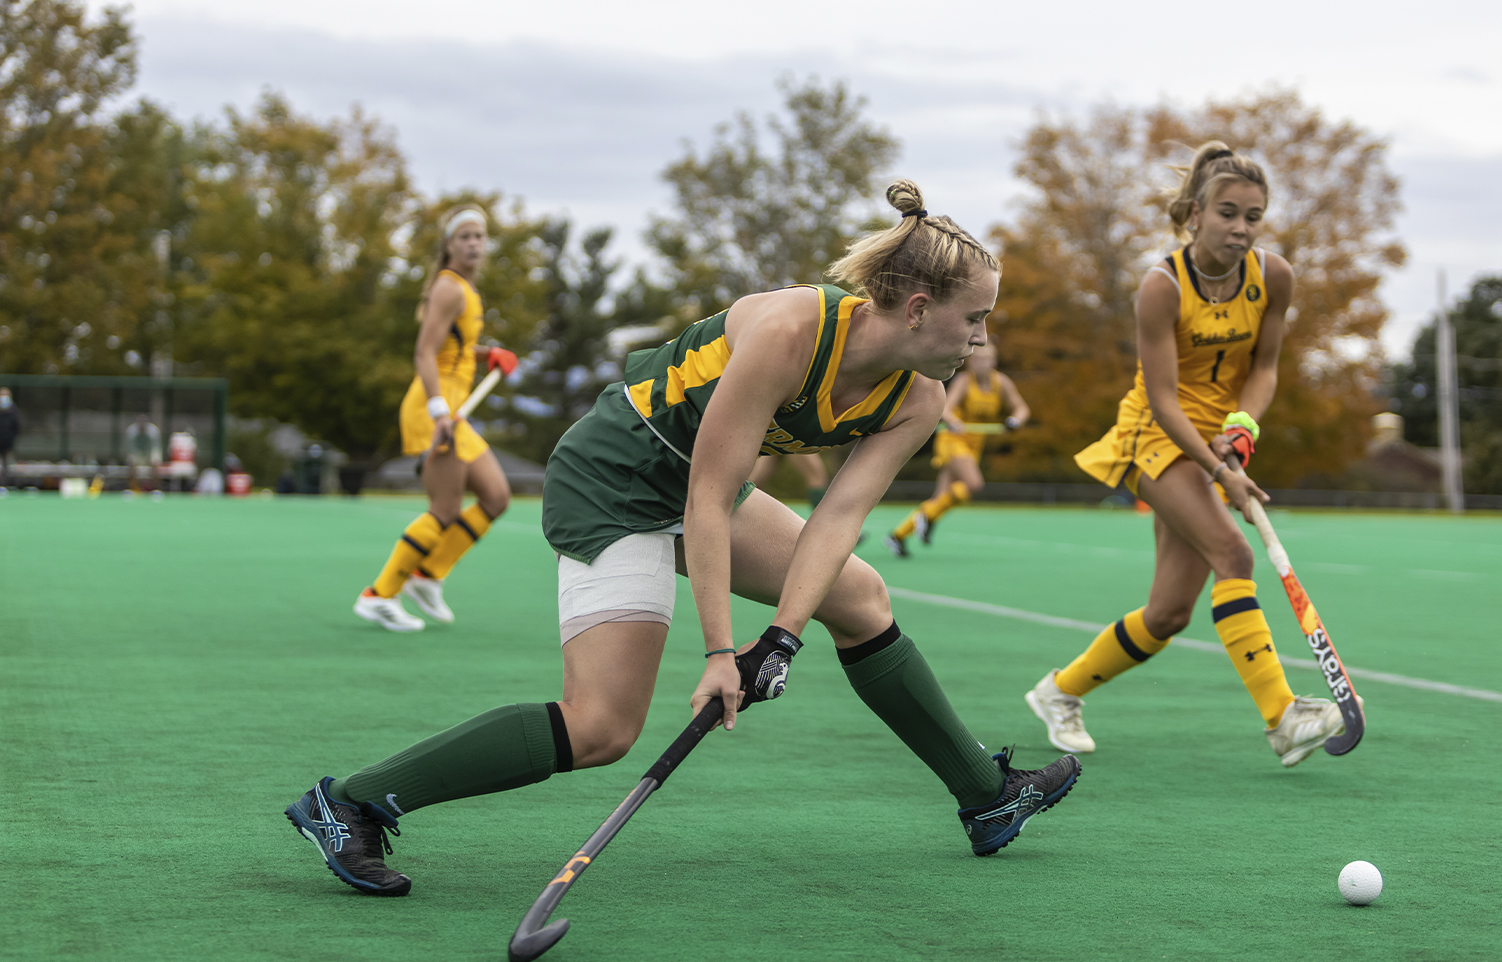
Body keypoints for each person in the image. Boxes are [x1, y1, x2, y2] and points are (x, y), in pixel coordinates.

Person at [286, 181, 1081, 896]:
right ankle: (349, 802)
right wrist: (719, 652)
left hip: (702, 485)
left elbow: (837, 519)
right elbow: (704, 492)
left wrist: (781, 639)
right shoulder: (791, 330)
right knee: (601, 728)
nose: (979, 340)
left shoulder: (919, 399)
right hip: (617, 480)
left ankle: (985, 796)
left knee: (862, 595)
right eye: (973, 319)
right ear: (916, 309)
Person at [1024, 143, 1347, 767]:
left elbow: (1267, 367)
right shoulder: (1161, 287)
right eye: (1228, 213)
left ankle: (1058, 692)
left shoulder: (1272, 277)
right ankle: (1283, 717)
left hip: (1217, 437)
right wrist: (1220, 471)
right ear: (1195, 213)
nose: (1241, 228)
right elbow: (1166, 403)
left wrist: (1242, 430)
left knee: (1169, 613)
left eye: (1254, 216)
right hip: (1155, 437)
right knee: (1234, 552)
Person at [352, 205, 517, 632]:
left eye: (479, 236)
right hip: (435, 408)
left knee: (496, 496)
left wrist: (487, 355)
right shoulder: (449, 288)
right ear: (448, 245)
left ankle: (428, 575)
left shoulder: (465, 289)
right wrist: (439, 411)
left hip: (452, 408)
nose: (474, 243)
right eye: (464, 236)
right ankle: (379, 594)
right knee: (444, 508)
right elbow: (424, 353)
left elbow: (453, 351)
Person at [884, 339, 1028, 555]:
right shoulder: (964, 381)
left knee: (941, 499)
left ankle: (898, 536)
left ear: (994, 361)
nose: (981, 364)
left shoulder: (1002, 383)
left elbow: (1021, 408)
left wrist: (1014, 421)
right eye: (977, 359)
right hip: (953, 440)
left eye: (986, 359)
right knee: (973, 484)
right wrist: (953, 421)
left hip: (973, 445)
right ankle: (927, 517)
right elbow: (945, 408)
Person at [0, 387, 18, 490]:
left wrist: (11, 441)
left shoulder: (14, 410)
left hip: (7, 444)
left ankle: (5, 485)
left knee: (7, 465)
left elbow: (16, 428)